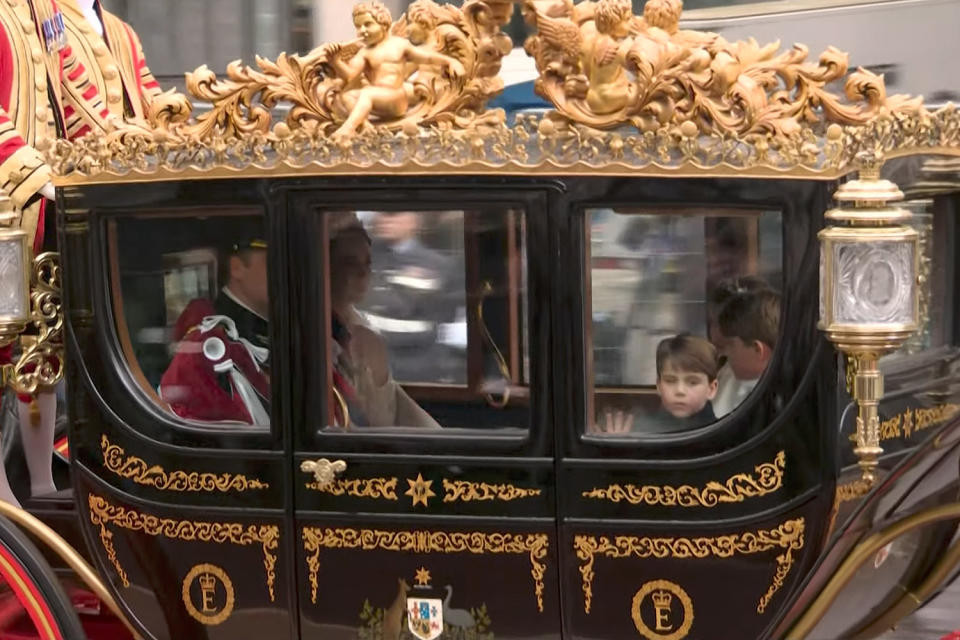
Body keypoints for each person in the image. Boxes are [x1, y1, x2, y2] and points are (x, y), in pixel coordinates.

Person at [328, 214, 440, 429]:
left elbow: (401, 413)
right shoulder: (321, 336)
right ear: (328, 268)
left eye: (367, 263)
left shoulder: (363, 331)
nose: (363, 273)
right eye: (350, 263)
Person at [159, 238, 270, 425]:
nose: (287, 274)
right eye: (272, 264)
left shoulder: (280, 329)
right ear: (237, 268)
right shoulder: (207, 345)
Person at [325, 1, 464, 141]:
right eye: (358, 26)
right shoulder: (364, 53)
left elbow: (426, 57)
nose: (362, 30)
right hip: (377, 100)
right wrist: (335, 61)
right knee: (346, 96)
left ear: (383, 24)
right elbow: (349, 75)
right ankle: (364, 126)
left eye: (367, 24)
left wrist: (450, 61)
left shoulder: (399, 45)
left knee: (367, 93)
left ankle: (348, 128)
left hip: (397, 99)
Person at [363, 211, 459, 383]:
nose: (385, 220)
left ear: (414, 220)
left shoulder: (438, 265)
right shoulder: (364, 257)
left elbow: (447, 316)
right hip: (367, 366)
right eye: (382, 214)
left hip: (416, 368)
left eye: (393, 214)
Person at [593, 333, 719, 435]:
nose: (680, 390)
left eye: (692, 382)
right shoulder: (639, 427)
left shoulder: (719, 433)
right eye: (670, 381)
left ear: (711, 389)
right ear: (658, 386)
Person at [708, 276, 772, 417]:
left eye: (717, 323)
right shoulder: (724, 369)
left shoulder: (744, 372)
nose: (714, 331)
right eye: (712, 323)